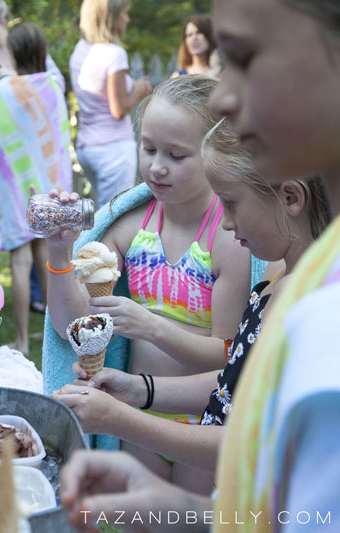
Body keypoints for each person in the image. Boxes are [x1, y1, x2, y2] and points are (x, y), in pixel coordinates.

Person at [60, 0, 340, 529]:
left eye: (244, 58)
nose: (225, 96)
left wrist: (129, 421)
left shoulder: (324, 311)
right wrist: (142, 394)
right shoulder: (292, 280)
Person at [53, 117, 328, 475]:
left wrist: (121, 421)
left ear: (290, 198)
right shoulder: (280, 277)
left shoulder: (306, 302)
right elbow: (235, 382)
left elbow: (254, 447)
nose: (226, 222)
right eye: (148, 148)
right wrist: (139, 390)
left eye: (230, 202)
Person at [44, 75, 252, 494]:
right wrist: (59, 256)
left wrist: (150, 326)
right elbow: (74, 323)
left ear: (216, 152)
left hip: (205, 419)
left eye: (177, 155)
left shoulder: (229, 238)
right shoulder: (131, 227)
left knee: (191, 521)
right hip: (137, 415)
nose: (157, 166)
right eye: (149, 148)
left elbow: (227, 356)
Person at [0, 0, 64, 287]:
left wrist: (12, 82)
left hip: (29, 156)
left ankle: (35, 294)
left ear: (3, 22)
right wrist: (19, 89)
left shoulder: (22, 48)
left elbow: (56, 85)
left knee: (32, 220)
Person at [0, 22, 71, 354]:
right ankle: (57, 335)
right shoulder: (54, 84)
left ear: (14, 52)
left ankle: (22, 340)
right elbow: (61, 140)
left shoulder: (6, 89)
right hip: (48, 184)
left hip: (15, 187)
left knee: (20, 261)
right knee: (47, 257)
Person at [70, 0, 151, 209]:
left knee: (101, 212)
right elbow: (118, 109)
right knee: (115, 216)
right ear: (110, 18)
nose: (128, 19)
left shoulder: (81, 50)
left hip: (88, 147)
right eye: (124, 14)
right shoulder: (114, 54)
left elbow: (98, 91)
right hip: (113, 151)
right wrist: (138, 91)